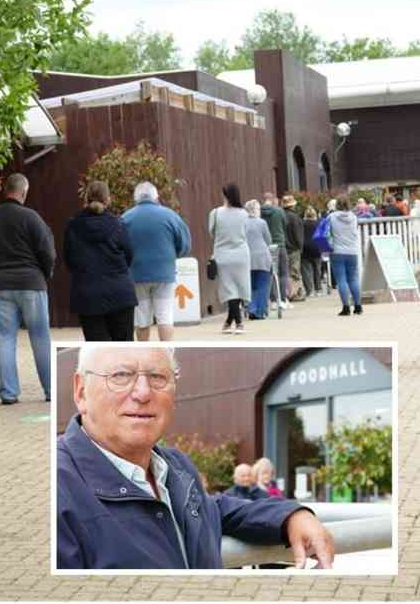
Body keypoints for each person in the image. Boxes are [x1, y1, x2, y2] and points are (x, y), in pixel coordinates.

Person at [57, 346, 335, 569]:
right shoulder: (57, 488)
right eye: (120, 375)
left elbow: (214, 509)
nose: (142, 392)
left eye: (157, 377)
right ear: (81, 391)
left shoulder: (176, 469)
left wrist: (290, 516)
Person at [0, 173, 54, 405]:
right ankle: (50, 390)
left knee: (5, 339)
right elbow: (47, 251)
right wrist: (44, 274)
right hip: (31, 283)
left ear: (5, 190)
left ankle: (9, 393)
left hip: (2, 284)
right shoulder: (31, 218)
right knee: (40, 337)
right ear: (23, 192)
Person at [63, 181, 137, 341]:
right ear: (108, 200)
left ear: (86, 200)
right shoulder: (118, 225)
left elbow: (69, 260)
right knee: (124, 348)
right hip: (120, 293)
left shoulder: (73, 226)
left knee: (98, 352)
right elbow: (129, 255)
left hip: (88, 295)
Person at [122, 182, 191, 341]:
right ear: (156, 197)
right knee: (165, 317)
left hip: (137, 275)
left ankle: (143, 356)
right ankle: (167, 355)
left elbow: (118, 247)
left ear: (135, 198)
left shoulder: (126, 218)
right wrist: (173, 256)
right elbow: (185, 244)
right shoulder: (170, 216)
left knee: (142, 320)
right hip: (164, 273)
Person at [209, 184, 251, 334]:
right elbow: (246, 232)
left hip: (223, 254)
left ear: (225, 195)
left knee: (230, 289)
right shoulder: (244, 214)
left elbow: (212, 232)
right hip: (241, 254)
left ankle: (239, 323)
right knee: (239, 287)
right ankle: (229, 321)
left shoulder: (215, 213)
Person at [328, 195, 362, 316]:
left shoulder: (331, 217)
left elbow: (326, 232)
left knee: (341, 280)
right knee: (353, 279)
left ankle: (346, 307)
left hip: (337, 251)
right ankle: (358, 306)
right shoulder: (354, 217)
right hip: (352, 251)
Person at [260, 192, 290, 309]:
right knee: (282, 272)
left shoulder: (259, 212)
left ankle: (272, 300)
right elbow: (285, 225)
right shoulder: (279, 211)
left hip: (265, 245)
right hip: (279, 244)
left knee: (270, 273)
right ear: (273, 200)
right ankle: (282, 300)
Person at [244, 199, 272, 320]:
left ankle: (251, 308)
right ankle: (260, 312)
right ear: (257, 210)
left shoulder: (242, 223)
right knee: (262, 285)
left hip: (247, 258)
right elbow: (268, 240)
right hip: (262, 257)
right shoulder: (262, 223)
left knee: (250, 285)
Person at [281, 195, 305, 302]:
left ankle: (286, 293)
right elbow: (298, 235)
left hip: (283, 248)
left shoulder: (281, 215)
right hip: (294, 249)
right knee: (295, 272)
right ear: (292, 206)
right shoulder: (295, 217)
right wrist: (300, 247)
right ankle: (296, 294)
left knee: (285, 273)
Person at [301, 206, 323, 297]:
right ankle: (318, 289)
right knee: (317, 269)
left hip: (305, 248)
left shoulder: (302, 223)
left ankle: (309, 290)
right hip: (317, 247)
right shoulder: (319, 223)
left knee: (306, 270)